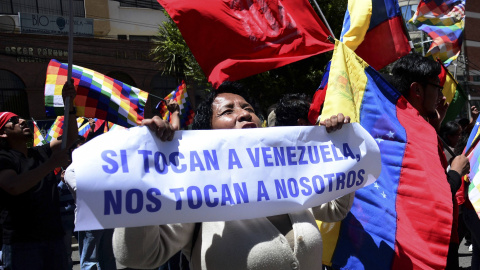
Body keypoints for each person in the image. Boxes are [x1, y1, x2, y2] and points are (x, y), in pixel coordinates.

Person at [111, 82, 354, 270]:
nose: (245, 114)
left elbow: (335, 209)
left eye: (248, 108)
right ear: (207, 133)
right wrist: (145, 170)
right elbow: (138, 255)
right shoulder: (197, 191)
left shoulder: (290, 174)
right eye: (228, 111)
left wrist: (340, 147)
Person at [390, 53, 470, 270]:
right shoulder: (412, 132)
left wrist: (433, 125)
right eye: (436, 86)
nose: (440, 94)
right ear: (417, 90)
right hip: (431, 244)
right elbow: (435, 193)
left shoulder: (398, 122)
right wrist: (455, 171)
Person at [0, 80, 78, 270]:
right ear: (2, 133)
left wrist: (69, 105)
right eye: (13, 121)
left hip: (54, 238)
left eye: (20, 117)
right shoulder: (4, 158)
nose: (21, 121)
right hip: (22, 244)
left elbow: (70, 138)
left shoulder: (40, 152)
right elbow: (13, 186)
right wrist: (51, 164)